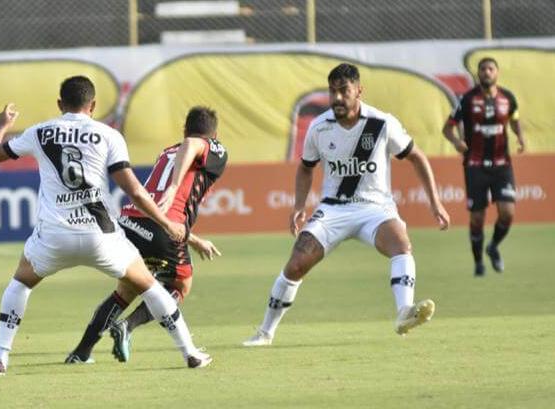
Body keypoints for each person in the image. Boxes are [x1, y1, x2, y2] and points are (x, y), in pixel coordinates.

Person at [0, 76, 212, 376]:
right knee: (151, 287)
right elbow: (136, 192)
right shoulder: (108, 135)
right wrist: (167, 222)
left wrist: (1, 126)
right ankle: (190, 353)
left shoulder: (39, 132)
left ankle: (0, 359)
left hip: (54, 236)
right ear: (93, 106)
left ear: (60, 104)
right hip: (100, 236)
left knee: (20, 284)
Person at [242, 63, 451, 347]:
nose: (337, 98)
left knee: (401, 244)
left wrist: (435, 202)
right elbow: (306, 168)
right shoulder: (319, 127)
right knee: (296, 264)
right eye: (333, 91)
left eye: (344, 91)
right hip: (334, 209)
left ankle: (404, 312)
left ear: (358, 91)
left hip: (375, 208)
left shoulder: (381, 123)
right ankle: (265, 333)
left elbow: (417, 157)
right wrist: (298, 206)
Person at [66, 106, 227, 364]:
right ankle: (132, 328)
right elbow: (194, 144)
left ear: (184, 127)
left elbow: (161, 207)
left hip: (133, 222)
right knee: (180, 285)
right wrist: (174, 188)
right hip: (161, 228)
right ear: (214, 135)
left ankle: (81, 352)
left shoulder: (167, 153)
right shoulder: (211, 147)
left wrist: (194, 239)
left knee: (126, 290)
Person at [442, 57, 525, 277]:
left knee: (507, 213)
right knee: (477, 218)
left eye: (490, 69)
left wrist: (520, 137)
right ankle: (478, 262)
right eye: (483, 69)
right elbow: (448, 128)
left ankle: (493, 246)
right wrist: (457, 142)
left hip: (501, 164)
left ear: (497, 73)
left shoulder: (508, 98)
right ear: (478, 74)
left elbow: (515, 119)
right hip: (475, 165)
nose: (486, 72)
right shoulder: (467, 100)